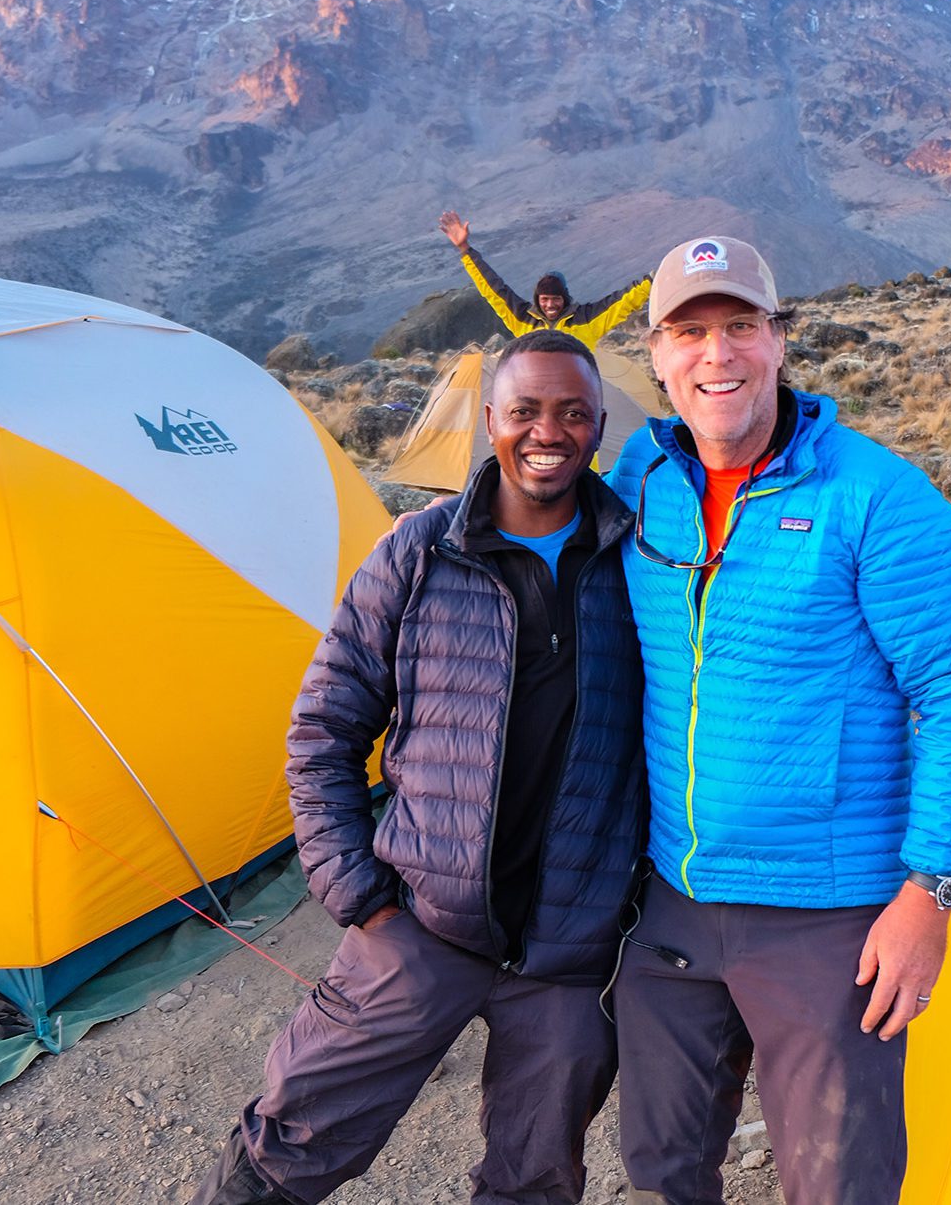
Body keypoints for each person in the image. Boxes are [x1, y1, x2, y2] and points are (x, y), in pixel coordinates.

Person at [190, 330, 646, 1205]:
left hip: (571, 951)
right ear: (489, 420)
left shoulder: (639, 563)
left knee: (536, 1179)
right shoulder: (419, 552)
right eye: (525, 410)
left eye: (572, 413)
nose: (547, 432)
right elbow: (324, 728)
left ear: (598, 428)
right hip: (420, 923)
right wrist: (357, 893)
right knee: (292, 1143)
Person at [605, 236, 951, 1205]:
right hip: (670, 902)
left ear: (779, 339)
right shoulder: (639, 481)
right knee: (660, 1169)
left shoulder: (877, 497)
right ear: (655, 355)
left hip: (829, 919)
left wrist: (929, 895)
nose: (717, 355)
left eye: (740, 325)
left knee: (839, 1185)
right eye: (689, 332)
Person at [439, 210, 651, 347]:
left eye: (555, 299)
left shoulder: (587, 319)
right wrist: (465, 249)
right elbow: (493, 288)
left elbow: (624, 300)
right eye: (545, 299)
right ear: (537, 299)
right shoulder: (523, 319)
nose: (550, 305)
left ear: (564, 298)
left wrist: (652, 281)